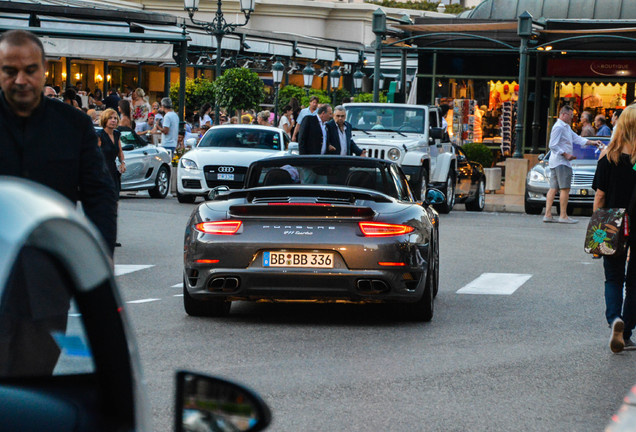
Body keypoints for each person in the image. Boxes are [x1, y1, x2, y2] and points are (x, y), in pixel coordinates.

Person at [591, 104, 636, 353]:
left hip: (611, 221)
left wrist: (598, 226)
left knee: (613, 277)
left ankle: (614, 320)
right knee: (635, 281)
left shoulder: (608, 157)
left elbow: (600, 196)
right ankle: (627, 332)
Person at [544, 105, 602, 224]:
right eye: (571, 115)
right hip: (561, 162)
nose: (572, 118)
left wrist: (592, 142)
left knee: (553, 188)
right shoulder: (559, 127)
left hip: (556, 162)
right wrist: (565, 154)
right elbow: (552, 145)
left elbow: (577, 138)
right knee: (565, 189)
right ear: (564, 114)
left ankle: (548, 214)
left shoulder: (565, 127)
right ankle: (563, 215)